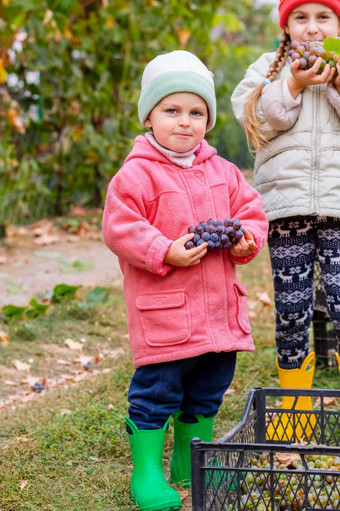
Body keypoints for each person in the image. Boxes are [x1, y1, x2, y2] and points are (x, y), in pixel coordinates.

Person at [103, 50, 268, 511]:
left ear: (208, 120)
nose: (184, 122)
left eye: (196, 112)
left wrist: (246, 240)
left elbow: (251, 214)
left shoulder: (225, 171)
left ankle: (189, 460)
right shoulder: (136, 174)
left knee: (208, 388)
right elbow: (120, 226)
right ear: (149, 115)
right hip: (167, 317)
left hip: (219, 314)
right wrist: (163, 249)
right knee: (158, 391)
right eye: (171, 110)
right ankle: (148, 472)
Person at [231, 0, 340, 441]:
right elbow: (255, 120)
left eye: (323, 17)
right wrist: (291, 85)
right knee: (292, 309)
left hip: (338, 206)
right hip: (287, 210)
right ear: (286, 25)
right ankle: (296, 413)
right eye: (301, 17)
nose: (312, 28)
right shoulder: (267, 67)